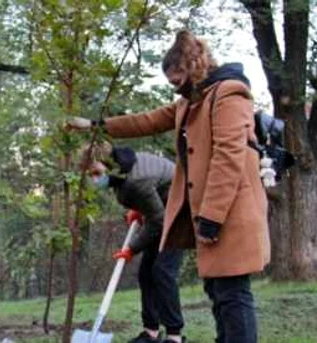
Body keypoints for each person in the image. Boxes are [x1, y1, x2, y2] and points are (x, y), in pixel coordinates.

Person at [68, 30, 270, 343]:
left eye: (177, 81)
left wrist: (212, 216)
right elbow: (145, 121)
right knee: (217, 289)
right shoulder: (191, 102)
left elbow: (229, 156)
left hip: (231, 209)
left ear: (194, 66)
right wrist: (96, 124)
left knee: (232, 292)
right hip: (212, 209)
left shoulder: (230, 93)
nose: (176, 88)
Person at [81, 143, 185, 343]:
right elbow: (154, 192)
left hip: (181, 211)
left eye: (96, 172)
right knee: (146, 273)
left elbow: (158, 220)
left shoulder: (135, 180)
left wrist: (132, 249)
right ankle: (151, 331)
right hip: (164, 207)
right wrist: (141, 208)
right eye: (90, 173)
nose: (94, 178)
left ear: (108, 164)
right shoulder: (124, 168)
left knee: (162, 271)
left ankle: (175, 336)